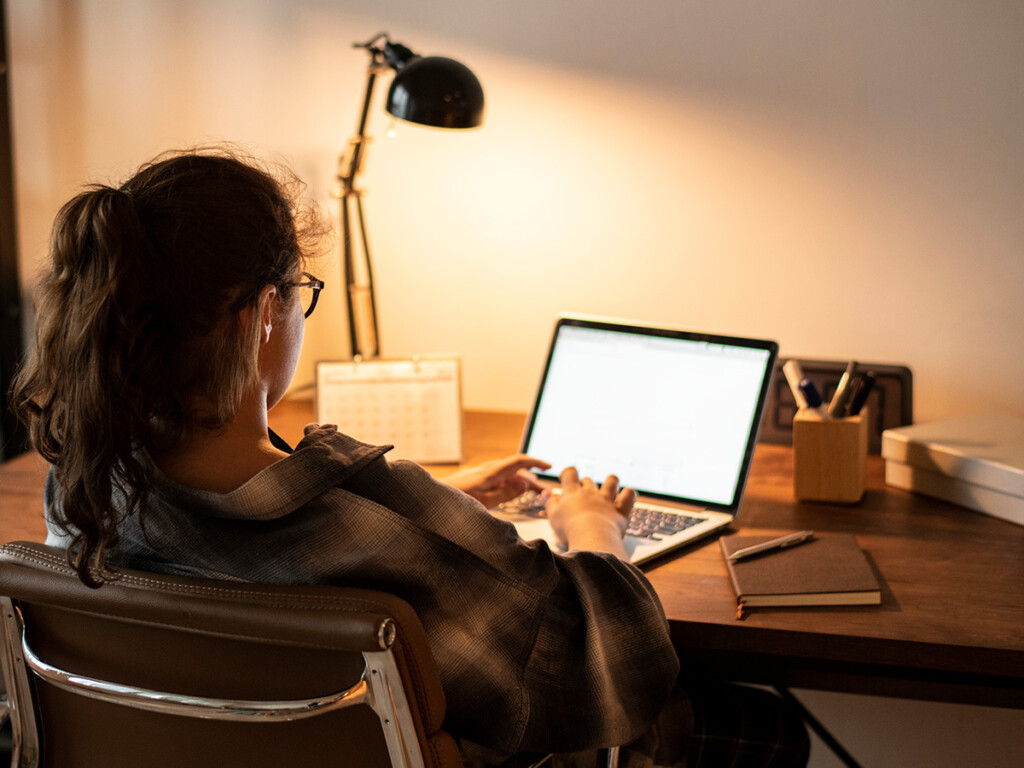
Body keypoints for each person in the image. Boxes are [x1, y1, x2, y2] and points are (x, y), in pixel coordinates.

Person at [12, 147, 808, 767]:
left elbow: (264, 535)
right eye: (301, 289)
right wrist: (594, 530)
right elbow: (612, 664)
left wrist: (439, 500)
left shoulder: (84, 490)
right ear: (264, 314)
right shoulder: (375, 519)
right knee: (767, 729)